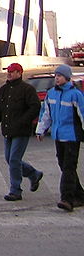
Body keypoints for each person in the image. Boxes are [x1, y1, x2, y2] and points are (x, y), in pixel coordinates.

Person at [0, 62, 43, 201]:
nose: (9, 73)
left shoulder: (27, 89)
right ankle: (34, 174)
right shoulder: (3, 90)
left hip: (22, 131)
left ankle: (15, 190)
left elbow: (35, 107)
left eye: (12, 71)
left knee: (14, 159)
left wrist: (24, 120)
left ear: (19, 73)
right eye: (8, 71)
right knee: (10, 159)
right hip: (8, 130)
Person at [36, 64, 84, 211]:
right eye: (56, 76)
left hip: (71, 137)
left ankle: (67, 199)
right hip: (58, 136)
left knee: (69, 168)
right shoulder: (51, 93)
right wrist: (40, 130)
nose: (57, 78)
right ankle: (81, 196)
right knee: (64, 166)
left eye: (60, 76)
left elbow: (83, 115)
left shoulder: (75, 94)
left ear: (67, 78)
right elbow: (46, 114)